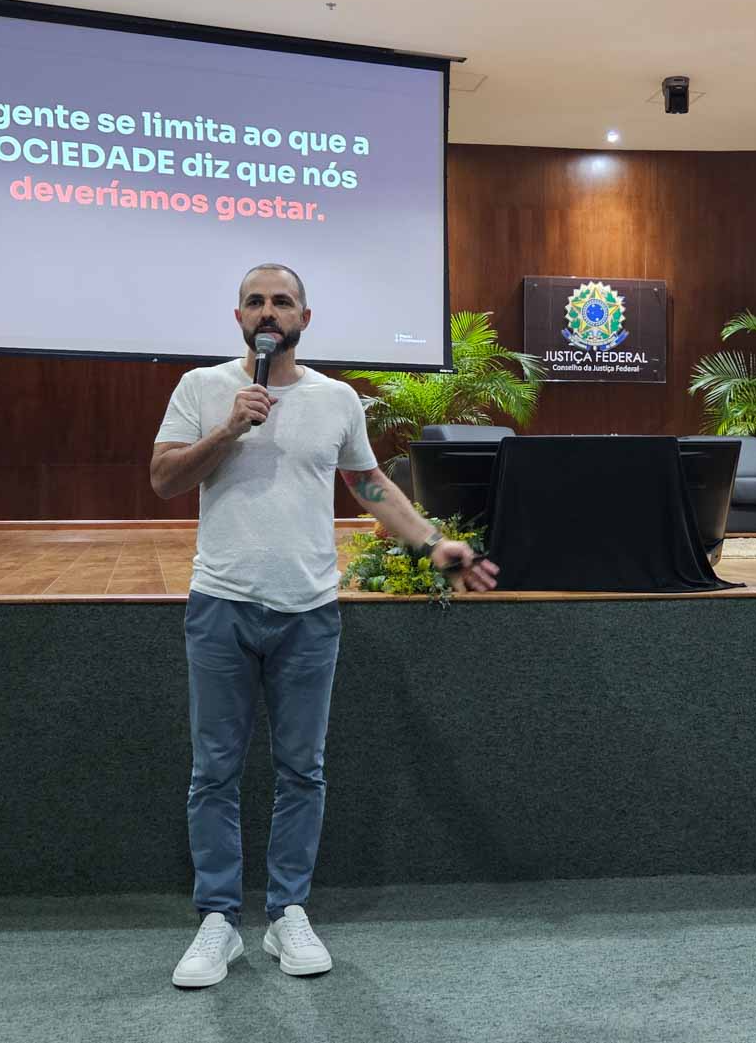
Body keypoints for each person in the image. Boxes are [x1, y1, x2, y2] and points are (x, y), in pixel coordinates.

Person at [150, 262, 497, 988]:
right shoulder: (202, 388)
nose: (267, 311)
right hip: (221, 604)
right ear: (238, 317)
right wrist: (230, 428)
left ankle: (287, 912)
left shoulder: (336, 398)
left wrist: (432, 543)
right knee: (213, 770)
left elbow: (370, 485)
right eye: (255, 301)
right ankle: (218, 920)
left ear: (304, 318)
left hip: (308, 611)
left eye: (282, 301)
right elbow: (165, 478)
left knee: (301, 770)